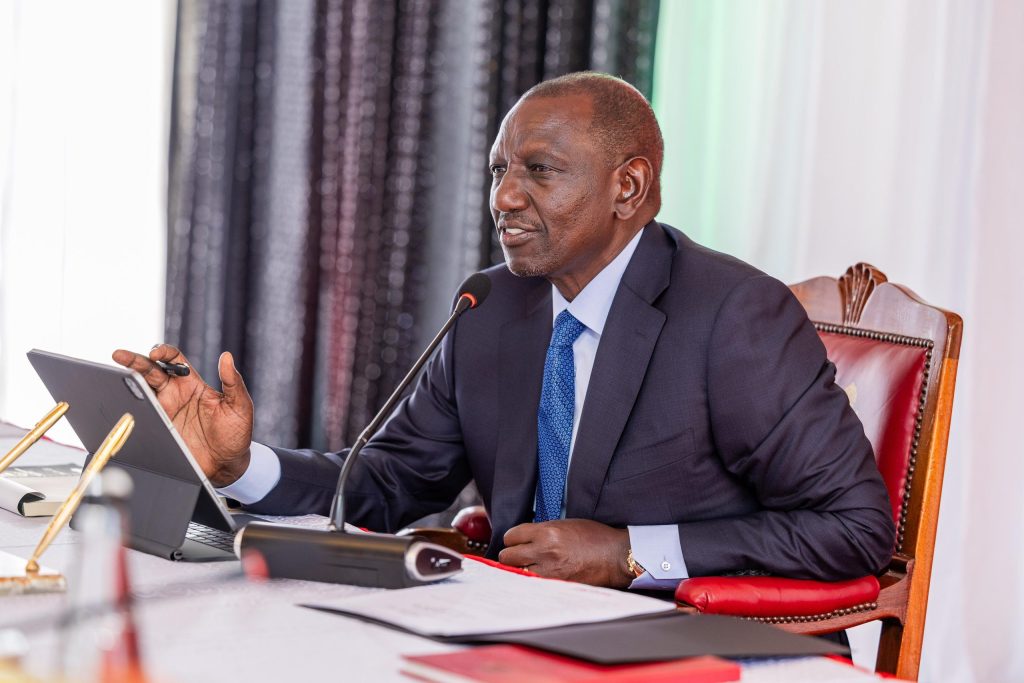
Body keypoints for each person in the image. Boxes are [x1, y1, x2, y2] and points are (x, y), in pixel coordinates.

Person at [114, 72, 894, 591]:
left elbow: (854, 530)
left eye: (539, 170)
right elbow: (384, 484)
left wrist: (629, 551)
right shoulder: (489, 309)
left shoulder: (734, 316)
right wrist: (242, 464)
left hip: (694, 638)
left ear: (629, 186)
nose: (505, 198)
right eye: (496, 172)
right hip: (518, 630)